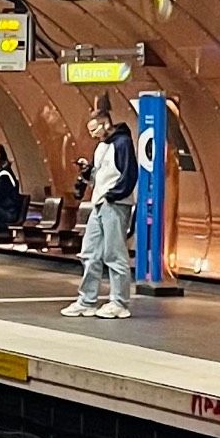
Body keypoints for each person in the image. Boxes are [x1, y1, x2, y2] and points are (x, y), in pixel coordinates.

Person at [63, 106, 137, 320]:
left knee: (114, 253)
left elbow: (129, 174)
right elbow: (99, 175)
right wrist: (88, 171)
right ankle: (86, 301)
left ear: (105, 124)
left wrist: (112, 195)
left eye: (95, 129)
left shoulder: (122, 143)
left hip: (114, 203)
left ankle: (119, 302)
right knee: (90, 252)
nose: (92, 134)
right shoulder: (101, 147)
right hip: (99, 202)